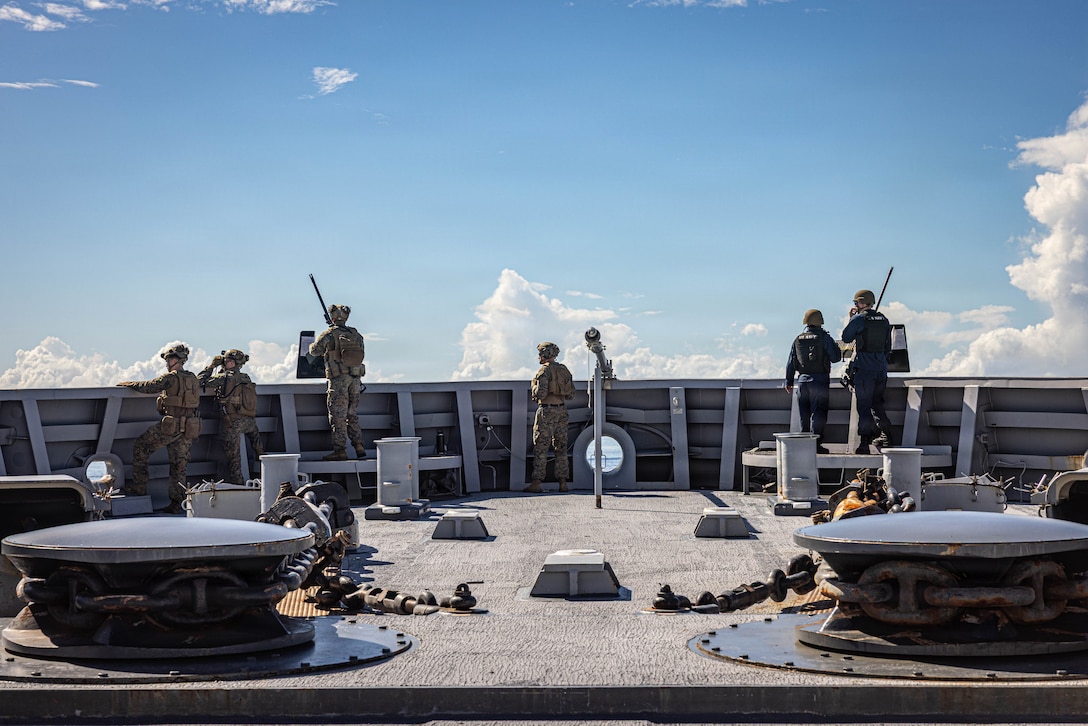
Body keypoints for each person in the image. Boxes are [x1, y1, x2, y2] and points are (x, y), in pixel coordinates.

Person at [117, 342, 201, 513]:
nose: (166, 362)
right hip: (189, 427)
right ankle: (177, 504)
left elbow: (149, 387)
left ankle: (139, 487)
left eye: (169, 359)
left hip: (171, 426)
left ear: (176, 360)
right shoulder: (192, 378)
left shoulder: (170, 378)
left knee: (141, 446)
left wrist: (128, 383)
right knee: (179, 466)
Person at [308, 304, 367, 461]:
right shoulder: (356, 334)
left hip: (338, 381)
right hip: (355, 380)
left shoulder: (329, 334)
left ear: (332, 318)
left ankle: (340, 450)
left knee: (338, 416)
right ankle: (359, 445)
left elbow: (314, 351)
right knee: (352, 414)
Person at [199, 349, 264, 484]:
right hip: (249, 421)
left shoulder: (225, 377)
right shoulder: (246, 377)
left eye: (226, 361)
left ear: (232, 362)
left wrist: (212, 366)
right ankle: (265, 474)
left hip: (232, 422)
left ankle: (239, 487)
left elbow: (200, 381)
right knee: (259, 451)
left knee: (233, 460)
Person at [841, 289, 893, 454]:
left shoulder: (859, 319)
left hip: (864, 369)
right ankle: (887, 435)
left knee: (863, 407)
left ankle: (864, 443)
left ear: (861, 303)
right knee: (877, 403)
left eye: (856, 303)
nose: (855, 306)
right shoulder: (884, 320)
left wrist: (851, 318)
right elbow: (887, 347)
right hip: (881, 370)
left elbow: (846, 338)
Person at [785, 309, 842, 454]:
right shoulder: (824, 338)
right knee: (818, 414)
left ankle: (804, 445)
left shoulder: (798, 339)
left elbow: (791, 361)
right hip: (820, 380)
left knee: (804, 414)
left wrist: (788, 381)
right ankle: (816, 445)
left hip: (802, 382)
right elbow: (835, 357)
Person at [525, 341, 575, 493]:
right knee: (561, 447)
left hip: (547, 411)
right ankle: (563, 483)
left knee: (541, 447)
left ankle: (536, 483)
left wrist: (533, 387)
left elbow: (540, 393)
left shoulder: (543, 372)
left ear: (545, 354)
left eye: (540, 353)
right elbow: (571, 393)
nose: (539, 356)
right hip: (561, 410)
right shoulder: (564, 370)